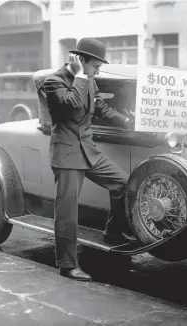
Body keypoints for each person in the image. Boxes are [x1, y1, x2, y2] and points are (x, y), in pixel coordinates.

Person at [44, 38, 133, 281]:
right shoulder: (53, 82)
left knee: (123, 184)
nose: (97, 71)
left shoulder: (89, 81)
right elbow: (72, 106)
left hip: (88, 151)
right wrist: (82, 77)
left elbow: (99, 107)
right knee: (67, 213)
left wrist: (125, 120)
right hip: (67, 155)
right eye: (95, 66)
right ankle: (67, 265)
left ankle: (113, 232)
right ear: (81, 61)